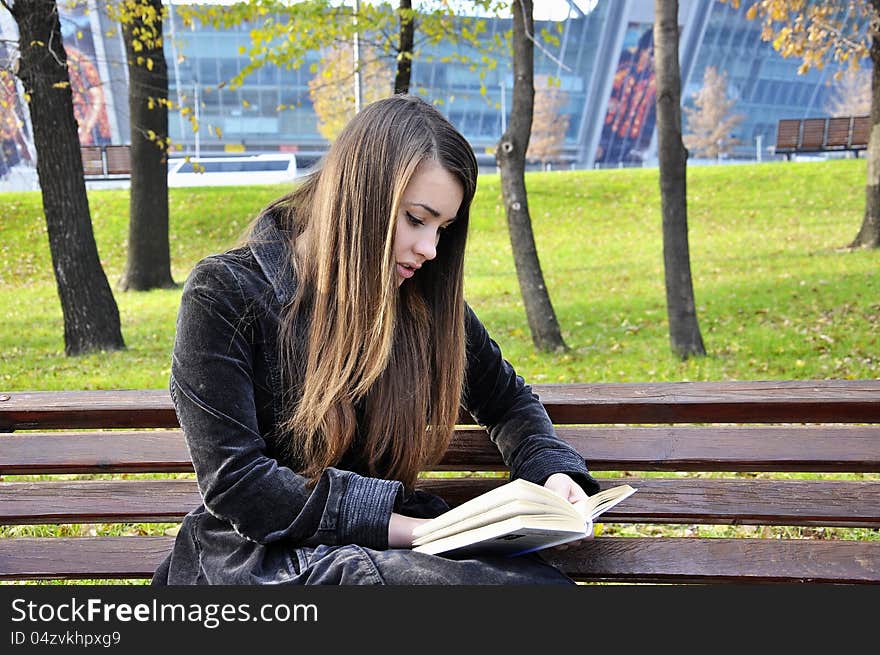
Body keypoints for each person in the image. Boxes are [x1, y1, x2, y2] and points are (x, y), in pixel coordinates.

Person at [152, 94, 600, 586]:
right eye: (415, 219)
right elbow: (240, 484)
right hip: (260, 563)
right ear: (359, 197)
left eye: (442, 229)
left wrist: (552, 473)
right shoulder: (226, 293)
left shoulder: (421, 302)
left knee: (538, 588)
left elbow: (508, 401)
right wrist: (414, 531)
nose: (429, 249)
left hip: (385, 555)